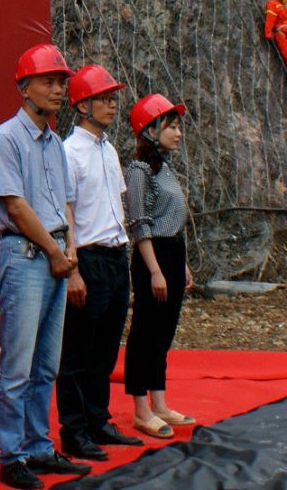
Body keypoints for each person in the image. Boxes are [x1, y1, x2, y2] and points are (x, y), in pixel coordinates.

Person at [0, 43, 90, 490]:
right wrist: (55, 250)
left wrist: (70, 249)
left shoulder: (55, 145)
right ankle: (12, 456)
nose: (58, 89)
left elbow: (65, 203)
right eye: (49, 81)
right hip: (26, 255)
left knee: (47, 363)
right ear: (24, 88)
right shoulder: (6, 138)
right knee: (18, 365)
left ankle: (39, 445)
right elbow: (15, 206)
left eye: (61, 82)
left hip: (55, 255)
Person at [56, 64, 144, 461]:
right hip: (88, 256)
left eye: (113, 98)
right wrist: (73, 267)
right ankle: (74, 430)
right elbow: (66, 212)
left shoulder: (109, 149)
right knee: (77, 349)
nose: (112, 105)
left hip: (114, 254)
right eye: (103, 99)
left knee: (106, 347)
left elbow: (116, 205)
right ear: (82, 106)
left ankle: (98, 419)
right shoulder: (68, 152)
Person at [123, 93, 195, 440]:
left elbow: (174, 218)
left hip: (173, 252)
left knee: (164, 331)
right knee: (145, 331)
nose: (178, 133)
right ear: (150, 130)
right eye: (171, 127)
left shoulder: (165, 167)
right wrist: (154, 270)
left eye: (179, 127)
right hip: (153, 254)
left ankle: (160, 403)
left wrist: (183, 264)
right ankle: (141, 409)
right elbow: (139, 222)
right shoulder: (139, 170)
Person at [265, 0, 287, 65]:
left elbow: (270, 19)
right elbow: (270, 18)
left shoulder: (273, 4)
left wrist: (268, 33)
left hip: (282, 31)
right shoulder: (278, 5)